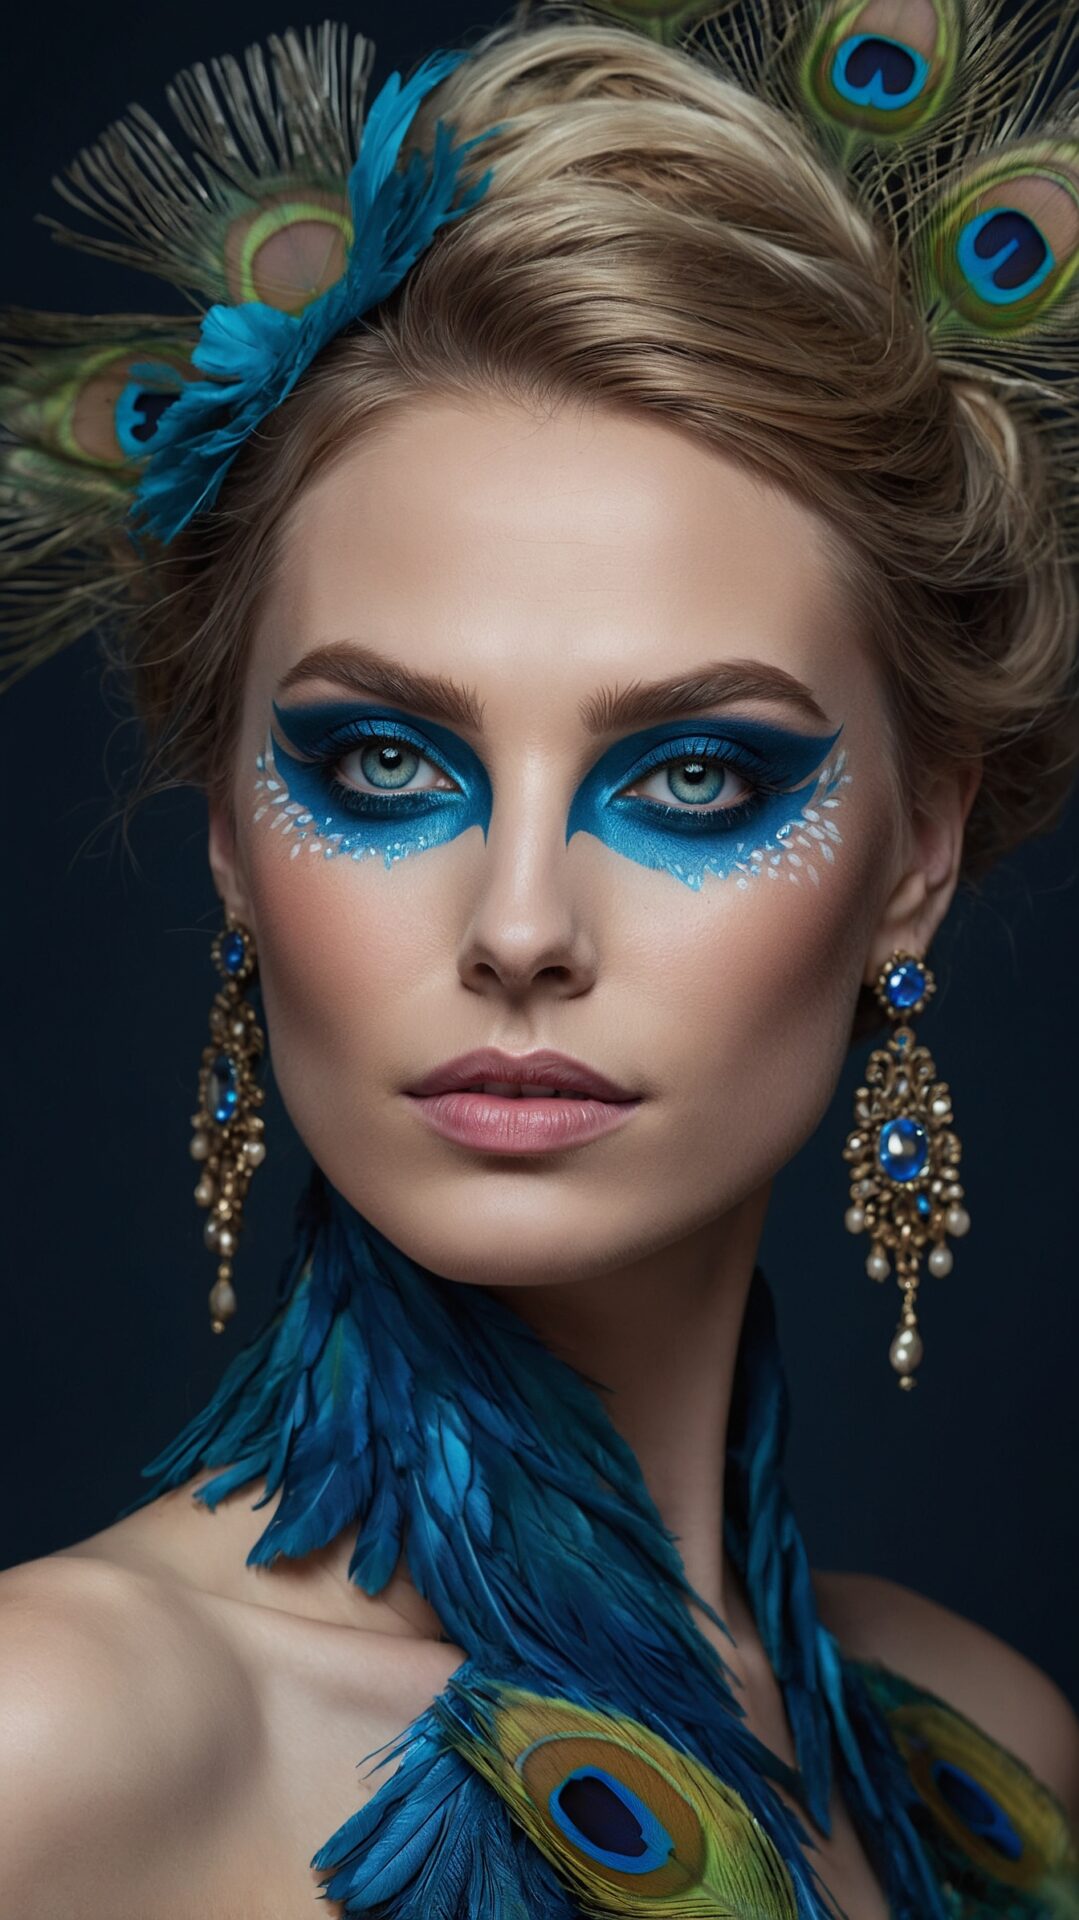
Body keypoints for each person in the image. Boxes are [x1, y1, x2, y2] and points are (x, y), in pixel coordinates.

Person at [2, 4, 1078, 1916]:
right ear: (235, 836)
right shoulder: (59, 1742)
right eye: (383, 765)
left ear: (916, 856)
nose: (517, 929)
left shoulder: (983, 1746)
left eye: (694, 778)